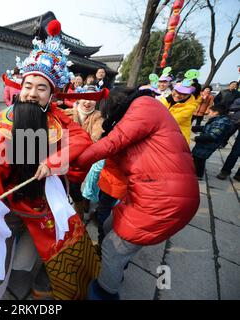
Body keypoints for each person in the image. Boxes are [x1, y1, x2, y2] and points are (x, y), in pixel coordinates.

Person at [0, 20, 97, 301]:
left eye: (42, 88)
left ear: (52, 95)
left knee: (64, 250)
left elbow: (82, 140)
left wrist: (55, 160)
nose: (32, 92)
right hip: (9, 205)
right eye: (28, 85)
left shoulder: (57, 119)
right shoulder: (1, 123)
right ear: (20, 87)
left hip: (45, 205)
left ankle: (44, 285)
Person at [75, 87, 200, 300]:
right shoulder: (142, 119)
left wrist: (75, 161)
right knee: (108, 225)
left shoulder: (145, 106)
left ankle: (105, 291)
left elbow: (112, 142)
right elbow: (114, 157)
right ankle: (114, 269)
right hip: (154, 194)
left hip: (163, 201)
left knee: (113, 249)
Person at [63, 85, 106, 220]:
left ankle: (79, 218)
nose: (87, 102)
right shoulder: (67, 113)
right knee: (60, 189)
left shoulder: (99, 117)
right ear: (78, 98)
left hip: (81, 162)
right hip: (62, 158)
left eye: (92, 99)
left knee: (75, 190)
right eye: (84, 98)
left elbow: (94, 139)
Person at [191, 105, 232, 180]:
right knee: (196, 157)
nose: (208, 113)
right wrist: (194, 128)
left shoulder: (221, 122)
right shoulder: (217, 120)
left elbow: (213, 135)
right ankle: (194, 172)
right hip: (204, 143)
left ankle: (198, 175)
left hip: (208, 145)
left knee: (200, 158)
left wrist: (197, 138)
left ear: (216, 113)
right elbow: (207, 128)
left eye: (209, 112)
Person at [160, 76, 199, 144]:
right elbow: (157, 108)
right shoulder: (168, 99)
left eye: (183, 94)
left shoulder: (190, 107)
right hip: (164, 134)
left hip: (177, 140)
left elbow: (170, 121)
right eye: (177, 91)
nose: (177, 95)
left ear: (190, 94)